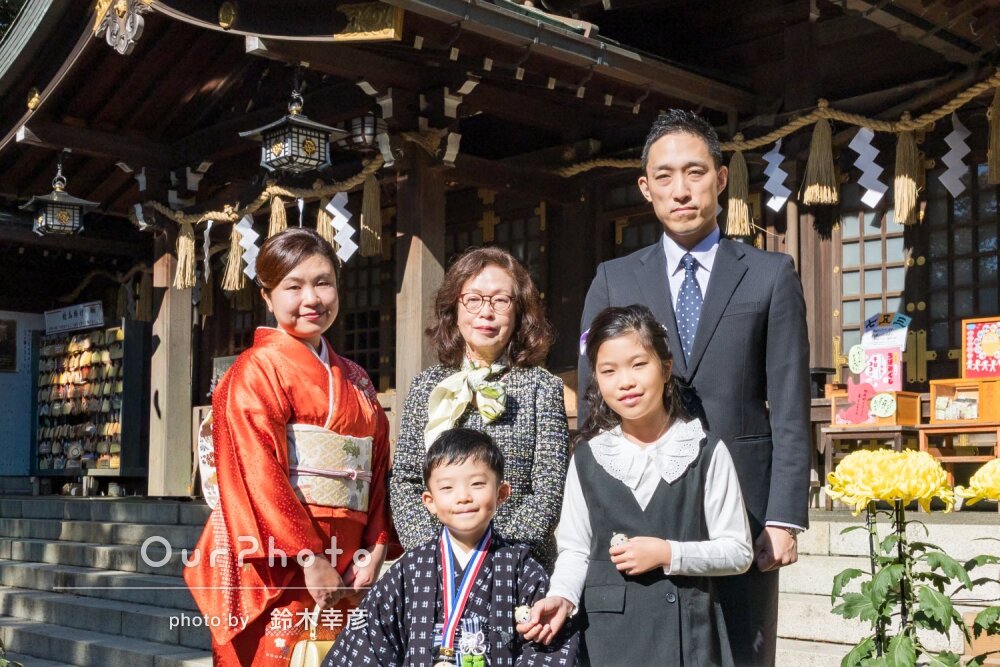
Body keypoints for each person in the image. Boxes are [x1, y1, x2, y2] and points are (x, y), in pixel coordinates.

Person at [577, 109, 812, 666]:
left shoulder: (770, 274)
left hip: (744, 513)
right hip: (639, 508)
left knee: (742, 652)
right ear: (646, 188)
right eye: (664, 176)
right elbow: (595, 400)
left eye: (695, 172)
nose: (680, 190)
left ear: (721, 178)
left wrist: (783, 517)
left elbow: (790, 404)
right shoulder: (614, 278)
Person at [184, 228, 396, 666]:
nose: (312, 299)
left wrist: (375, 549)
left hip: (349, 562)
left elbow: (376, 471)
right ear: (267, 296)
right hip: (278, 559)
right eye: (293, 287)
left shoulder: (357, 378)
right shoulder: (255, 370)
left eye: (323, 283)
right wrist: (310, 557)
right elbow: (256, 473)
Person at [522, 305, 752, 665]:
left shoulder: (705, 451)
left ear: (666, 368)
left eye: (638, 364)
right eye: (609, 371)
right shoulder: (588, 458)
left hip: (686, 634)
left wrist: (669, 553)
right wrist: (562, 597)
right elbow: (575, 550)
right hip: (608, 637)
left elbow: (738, 551)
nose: (625, 382)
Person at [325, 428, 580, 666]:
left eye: (477, 484)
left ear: (501, 493)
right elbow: (367, 642)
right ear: (430, 501)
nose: (463, 497)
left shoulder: (524, 571)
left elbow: (548, 648)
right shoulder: (410, 569)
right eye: (447, 487)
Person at [391, 247, 569, 568]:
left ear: (519, 312)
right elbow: (407, 481)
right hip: (438, 565)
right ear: (454, 309)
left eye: (501, 301)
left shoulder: (542, 388)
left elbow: (548, 490)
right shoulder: (426, 386)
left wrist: (494, 556)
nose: (486, 312)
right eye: (473, 299)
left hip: (519, 564)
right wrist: (437, 552)